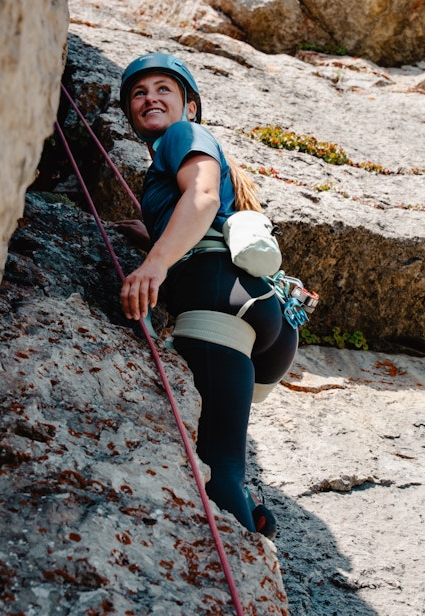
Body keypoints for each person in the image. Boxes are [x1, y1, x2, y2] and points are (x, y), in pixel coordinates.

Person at [117, 53, 299, 535]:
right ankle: (251, 517)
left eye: (163, 90)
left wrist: (154, 264)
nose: (149, 98)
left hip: (216, 294)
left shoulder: (181, 137)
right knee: (226, 450)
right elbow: (202, 212)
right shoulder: (190, 151)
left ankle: (242, 577)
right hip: (260, 315)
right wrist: (154, 236)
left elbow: (202, 199)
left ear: (190, 108)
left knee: (218, 471)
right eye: (139, 93)